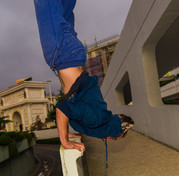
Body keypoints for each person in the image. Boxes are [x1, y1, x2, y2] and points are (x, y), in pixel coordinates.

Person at [34, 0, 133, 152]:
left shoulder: (101, 113)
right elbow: (62, 109)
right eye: (113, 138)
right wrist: (64, 140)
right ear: (112, 134)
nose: (107, 139)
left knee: (64, 5)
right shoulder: (96, 119)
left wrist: (67, 130)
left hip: (74, 54)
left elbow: (75, 106)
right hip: (63, 53)